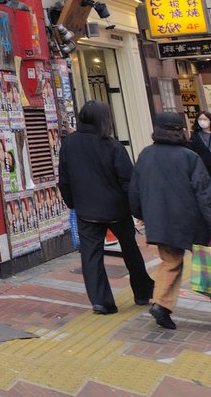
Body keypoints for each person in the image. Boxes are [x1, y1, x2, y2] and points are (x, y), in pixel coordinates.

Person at [59, 102, 154, 316]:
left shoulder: (69, 144)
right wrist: (137, 210)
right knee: (130, 250)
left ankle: (101, 302)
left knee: (91, 256)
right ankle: (142, 292)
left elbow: (63, 180)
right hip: (116, 210)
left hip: (86, 211)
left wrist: (73, 203)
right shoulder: (112, 145)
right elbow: (128, 181)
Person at [129, 112, 211, 330]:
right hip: (192, 221)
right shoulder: (189, 156)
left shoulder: (145, 154)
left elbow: (134, 191)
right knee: (206, 264)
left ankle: (161, 305)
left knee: (170, 262)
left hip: (160, 220)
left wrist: (140, 214)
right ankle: (162, 306)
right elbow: (204, 194)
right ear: (180, 130)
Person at [190, 110, 211, 175]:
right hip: (204, 169)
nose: (202, 121)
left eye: (205, 119)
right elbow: (191, 151)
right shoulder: (195, 135)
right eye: (200, 119)